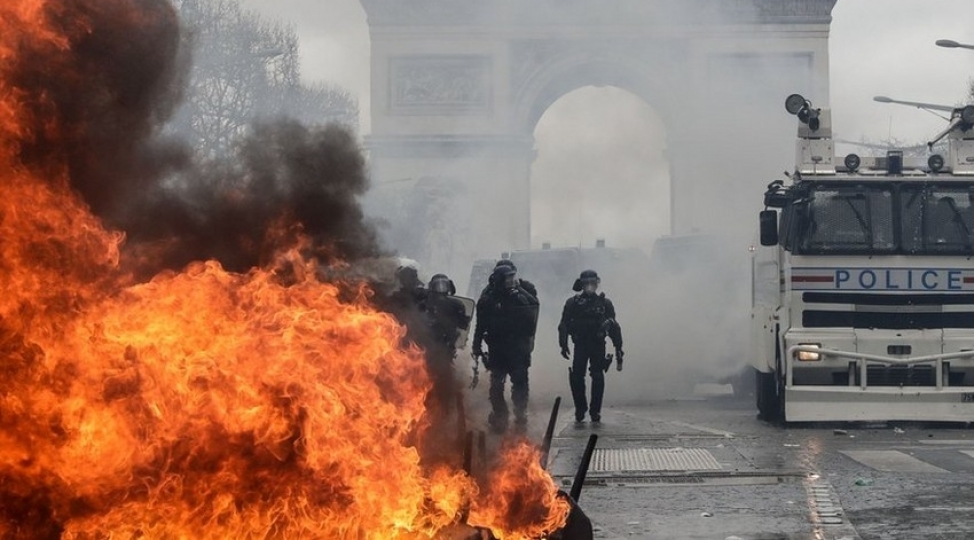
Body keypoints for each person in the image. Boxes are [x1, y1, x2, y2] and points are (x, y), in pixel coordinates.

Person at [472, 263, 539, 433]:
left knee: (520, 384)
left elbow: (533, 315)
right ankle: (500, 415)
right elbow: (480, 326)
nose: (511, 281)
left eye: (513, 277)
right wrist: (476, 346)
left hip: (518, 350)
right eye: (508, 278)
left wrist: (520, 293)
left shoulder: (521, 297)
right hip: (497, 350)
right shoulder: (487, 300)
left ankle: (520, 416)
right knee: (496, 386)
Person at [558, 269, 623, 425]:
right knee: (577, 377)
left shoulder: (604, 303)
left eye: (592, 283)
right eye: (586, 283)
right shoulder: (572, 303)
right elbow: (564, 324)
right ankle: (580, 409)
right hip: (580, 344)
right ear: (581, 284)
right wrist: (563, 343)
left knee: (598, 376)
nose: (589, 286)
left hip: (597, 344)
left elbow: (614, 327)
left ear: (596, 284)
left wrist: (618, 348)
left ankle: (595, 411)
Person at [420, 273, 472, 412]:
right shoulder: (425, 304)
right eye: (439, 285)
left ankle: (444, 407)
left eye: (444, 285)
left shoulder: (456, 305)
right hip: (429, 348)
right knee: (427, 377)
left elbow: (463, 326)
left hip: (446, 348)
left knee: (445, 377)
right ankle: (430, 404)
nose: (442, 288)